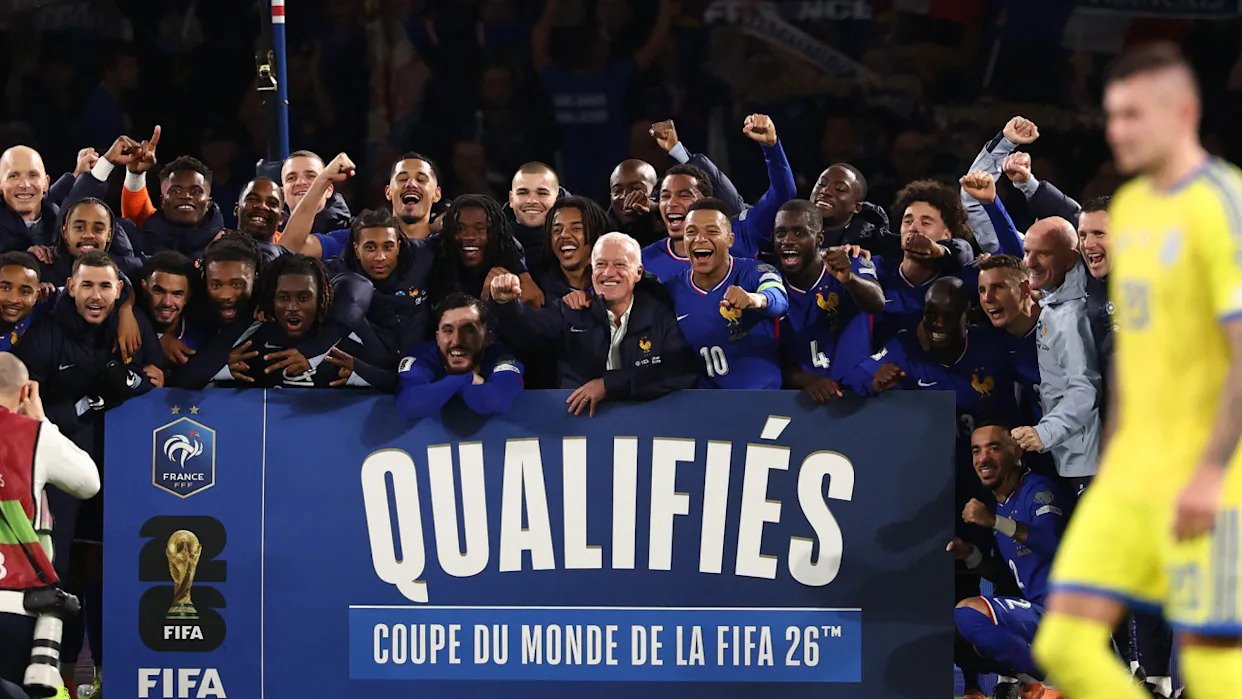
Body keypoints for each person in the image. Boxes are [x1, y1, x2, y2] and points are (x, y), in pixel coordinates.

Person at [1033, 44, 1242, 699]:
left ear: (1183, 113)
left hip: (1208, 469)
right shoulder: (1133, 213)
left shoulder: (1223, 204)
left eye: (1134, 115)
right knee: (1065, 644)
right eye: (1113, 116)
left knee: (1211, 668)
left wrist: (1212, 470)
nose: (1118, 130)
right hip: (1131, 470)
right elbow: (1134, 355)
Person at [14, 251, 162, 688]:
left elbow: (156, 378)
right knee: (59, 568)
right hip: (61, 475)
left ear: (118, 291)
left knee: (113, 568)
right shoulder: (46, 334)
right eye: (87, 286)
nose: (96, 296)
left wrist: (130, 381)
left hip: (121, 470)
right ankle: (51, 674)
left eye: (105, 287)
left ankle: (106, 674)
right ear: (71, 287)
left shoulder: (131, 325)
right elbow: (26, 407)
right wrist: (87, 404)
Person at [489, 232, 696, 414]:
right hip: (578, 427)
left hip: (643, 427)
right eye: (601, 264)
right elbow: (530, 332)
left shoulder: (659, 316)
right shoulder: (572, 310)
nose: (608, 273)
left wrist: (607, 385)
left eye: (620, 264)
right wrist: (506, 305)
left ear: (638, 272)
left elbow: (680, 370)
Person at [0, 354, 99, 689]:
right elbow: (88, 482)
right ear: (26, 391)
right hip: (14, 605)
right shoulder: (33, 436)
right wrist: (42, 420)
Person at [950, 423, 1067, 699]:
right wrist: (970, 555)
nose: (983, 458)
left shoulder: (1038, 490)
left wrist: (995, 522)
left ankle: (1054, 679)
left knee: (968, 612)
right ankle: (1039, 679)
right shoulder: (999, 505)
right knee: (958, 627)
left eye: (994, 448)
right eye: (976, 451)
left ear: (1017, 452)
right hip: (1037, 616)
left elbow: (1051, 542)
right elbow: (1003, 575)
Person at [641, 114, 797, 282]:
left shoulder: (741, 232)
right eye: (665, 196)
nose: (672, 202)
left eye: (684, 195)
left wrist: (771, 147)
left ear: (705, 200)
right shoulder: (644, 260)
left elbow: (783, 193)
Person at [1012, 217, 1102, 496]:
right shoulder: (1056, 300)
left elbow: (1084, 388)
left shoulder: (1071, 317)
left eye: (1043, 253)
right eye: (1027, 251)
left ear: (1070, 259)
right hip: (1071, 453)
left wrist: (1045, 432)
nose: (1029, 262)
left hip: (1087, 460)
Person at [220, 254, 395, 390]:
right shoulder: (253, 335)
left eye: (304, 298)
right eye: (283, 298)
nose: (293, 307)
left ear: (321, 299)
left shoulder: (348, 333)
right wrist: (225, 371)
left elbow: (395, 380)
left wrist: (359, 374)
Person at [663, 199, 788, 389]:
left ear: (730, 239)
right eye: (691, 232)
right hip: (706, 402)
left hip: (762, 399)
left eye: (712, 231)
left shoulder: (754, 272)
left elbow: (779, 297)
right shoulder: (671, 290)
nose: (700, 238)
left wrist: (754, 299)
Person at [772, 199, 884, 402]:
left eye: (799, 233)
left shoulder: (850, 262)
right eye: (780, 233)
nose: (787, 240)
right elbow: (772, 357)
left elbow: (876, 303)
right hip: (805, 400)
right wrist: (806, 380)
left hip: (860, 396)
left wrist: (850, 279)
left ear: (819, 238)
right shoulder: (771, 286)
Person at [279, 152, 441, 260]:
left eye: (421, 179)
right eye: (402, 178)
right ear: (388, 192)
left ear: (437, 194)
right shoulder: (357, 239)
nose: (411, 184)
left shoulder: (447, 245)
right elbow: (289, 249)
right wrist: (323, 179)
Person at [873, 180, 977, 344]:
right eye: (908, 221)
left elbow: (964, 251)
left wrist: (939, 249)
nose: (913, 228)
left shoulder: (957, 285)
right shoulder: (875, 269)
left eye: (926, 222)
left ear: (947, 236)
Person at [395, 293, 524, 419]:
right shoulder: (421, 358)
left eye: (468, 330)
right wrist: (465, 378)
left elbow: (496, 401)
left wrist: (445, 388)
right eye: (448, 330)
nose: (456, 341)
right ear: (437, 338)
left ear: (487, 337)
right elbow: (409, 404)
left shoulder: (503, 357)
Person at [325, 208, 436, 352]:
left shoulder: (422, 256)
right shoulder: (338, 274)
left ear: (398, 246)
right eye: (370, 248)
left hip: (420, 357)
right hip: (368, 358)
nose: (380, 257)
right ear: (356, 249)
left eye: (388, 247)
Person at [430, 194, 542, 307]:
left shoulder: (510, 258)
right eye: (459, 229)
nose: (469, 236)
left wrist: (522, 280)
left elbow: (534, 300)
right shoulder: (434, 256)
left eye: (479, 229)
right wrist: (484, 301)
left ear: (495, 233)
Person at [123, 155, 225, 258]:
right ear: (162, 201)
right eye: (175, 190)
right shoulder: (140, 243)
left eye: (195, 191)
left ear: (208, 203)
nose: (185, 196)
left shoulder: (226, 245)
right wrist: (134, 176)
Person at [810, 163, 900, 257]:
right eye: (822, 184)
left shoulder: (872, 247)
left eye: (840, 189)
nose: (825, 191)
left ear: (857, 207)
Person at [538, 196, 608, 300]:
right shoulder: (539, 293)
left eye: (576, 228)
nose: (564, 235)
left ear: (597, 235)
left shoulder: (614, 287)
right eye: (557, 230)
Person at [505, 162, 561, 278]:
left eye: (542, 193)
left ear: (557, 199)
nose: (532, 200)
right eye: (523, 193)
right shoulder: (491, 242)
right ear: (511, 199)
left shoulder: (579, 241)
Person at [280, 149, 351, 233]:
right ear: (282, 193)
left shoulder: (353, 233)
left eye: (310, 176)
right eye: (291, 178)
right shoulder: (271, 234)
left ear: (328, 189)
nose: (301, 182)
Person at [606, 159, 660, 246]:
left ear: (654, 192)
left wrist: (657, 210)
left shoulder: (672, 224)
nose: (625, 196)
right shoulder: (598, 232)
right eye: (617, 190)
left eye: (636, 189)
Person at [0, 252, 45, 352]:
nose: (14, 299)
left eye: (25, 292)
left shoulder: (44, 304)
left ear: (36, 295)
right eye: (5, 288)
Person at [234, 177, 286, 262]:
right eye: (252, 199)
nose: (262, 206)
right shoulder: (215, 254)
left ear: (281, 218)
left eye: (272, 203)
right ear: (237, 209)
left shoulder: (292, 264)